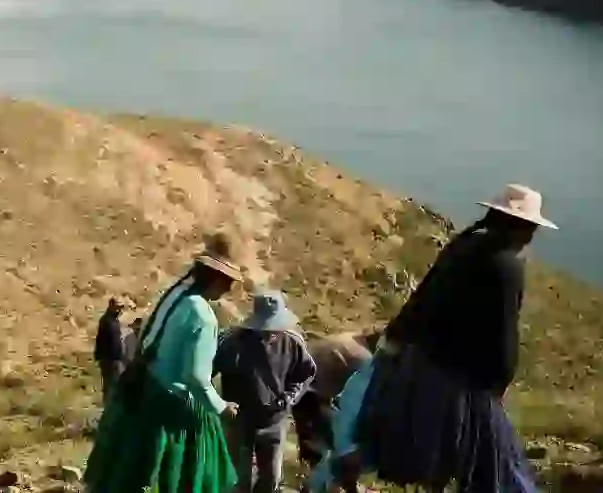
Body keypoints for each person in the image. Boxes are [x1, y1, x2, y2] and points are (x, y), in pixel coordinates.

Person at [352, 184, 556, 493]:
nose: (531, 236)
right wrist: (501, 381)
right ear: (520, 225)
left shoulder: (465, 243)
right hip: (460, 379)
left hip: (419, 365)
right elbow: (504, 331)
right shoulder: (505, 262)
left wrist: (396, 338)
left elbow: (424, 297)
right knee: (495, 469)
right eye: (531, 227)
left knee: (425, 455)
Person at [83, 231, 245, 493]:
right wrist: (222, 408)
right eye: (229, 281)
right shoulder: (203, 316)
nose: (229, 289)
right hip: (172, 406)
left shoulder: (173, 293)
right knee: (185, 477)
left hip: (145, 388)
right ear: (217, 277)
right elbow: (196, 378)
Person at [216, 289, 317, 493]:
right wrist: (220, 404)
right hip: (240, 422)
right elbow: (203, 374)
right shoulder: (231, 343)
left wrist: (289, 397)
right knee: (238, 480)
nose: (271, 333)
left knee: (271, 479)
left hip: (274, 422)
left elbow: (305, 374)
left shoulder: (293, 343)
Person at [292, 329, 381, 492]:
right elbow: (353, 398)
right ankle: (315, 485)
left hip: (300, 382)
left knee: (313, 441)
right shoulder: (363, 358)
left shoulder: (351, 338)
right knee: (328, 446)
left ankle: (310, 479)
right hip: (312, 391)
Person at [93, 298, 126, 402]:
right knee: (110, 386)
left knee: (115, 386)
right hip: (109, 360)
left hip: (115, 360)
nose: (119, 310)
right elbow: (101, 340)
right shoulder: (106, 321)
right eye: (117, 307)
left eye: (121, 308)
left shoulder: (114, 320)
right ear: (111, 306)